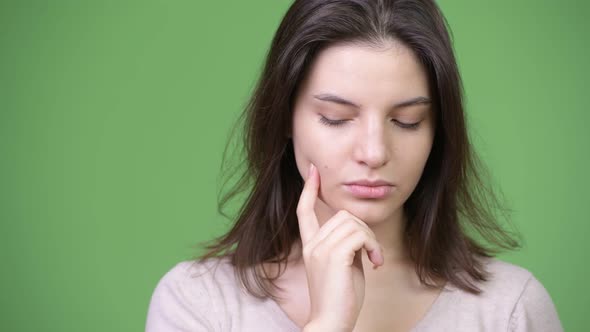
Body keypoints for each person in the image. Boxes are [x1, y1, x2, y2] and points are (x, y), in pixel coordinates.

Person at [146, 0, 563, 331]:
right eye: (336, 118)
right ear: (285, 119)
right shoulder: (199, 305)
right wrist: (328, 323)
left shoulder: (509, 309)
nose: (374, 151)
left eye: (407, 121)